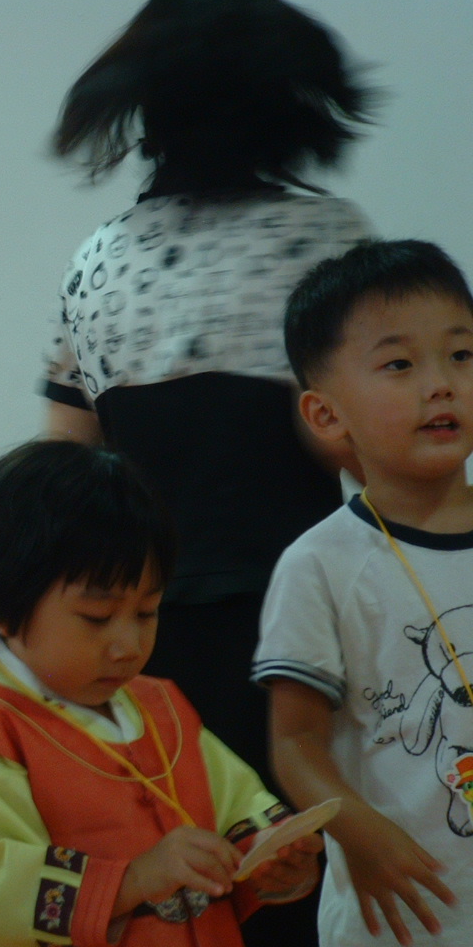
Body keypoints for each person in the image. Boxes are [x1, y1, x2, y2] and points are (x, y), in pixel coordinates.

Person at [42, 0, 374, 941]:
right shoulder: (331, 244)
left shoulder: (97, 262)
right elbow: (366, 451)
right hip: (305, 634)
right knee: (304, 897)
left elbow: (60, 469)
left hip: (141, 647)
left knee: (185, 902)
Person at [0, 440, 322, 947]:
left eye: (146, 612)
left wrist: (272, 860)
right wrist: (134, 880)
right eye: (97, 617)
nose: (129, 645)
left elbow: (239, 806)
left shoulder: (164, 708)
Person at [253, 239, 473, 946]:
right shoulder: (319, 565)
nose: (441, 384)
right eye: (400, 364)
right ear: (326, 416)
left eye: (461, 355)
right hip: (405, 917)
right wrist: (359, 832)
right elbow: (295, 741)